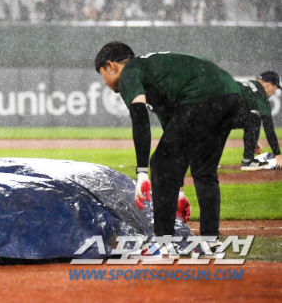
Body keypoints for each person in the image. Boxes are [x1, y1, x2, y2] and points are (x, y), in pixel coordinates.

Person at [94, 42, 240, 243]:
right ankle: (210, 238)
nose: (106, 84)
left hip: (200, 96)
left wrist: (143, 171)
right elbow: (174, 135)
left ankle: (163, 243)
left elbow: (139, 117)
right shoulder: (156, 74)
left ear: (110, 66)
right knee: (203, 169)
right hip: (230, 93)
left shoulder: (129, 71)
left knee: (160, 164)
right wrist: (177, 190)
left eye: (103, 75)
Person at [233, 71, 281, 170]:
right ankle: (248, 161)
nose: (273, 93)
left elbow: (240, 111)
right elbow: (269, 128)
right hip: (217, 114)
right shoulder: (261, 94)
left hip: (207, 112)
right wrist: (278, 155)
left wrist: (252, 139)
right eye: (275, 89)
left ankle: (207, 161)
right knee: (254, 118)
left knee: (217, 125)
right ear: (269, 85)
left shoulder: (248, 84)